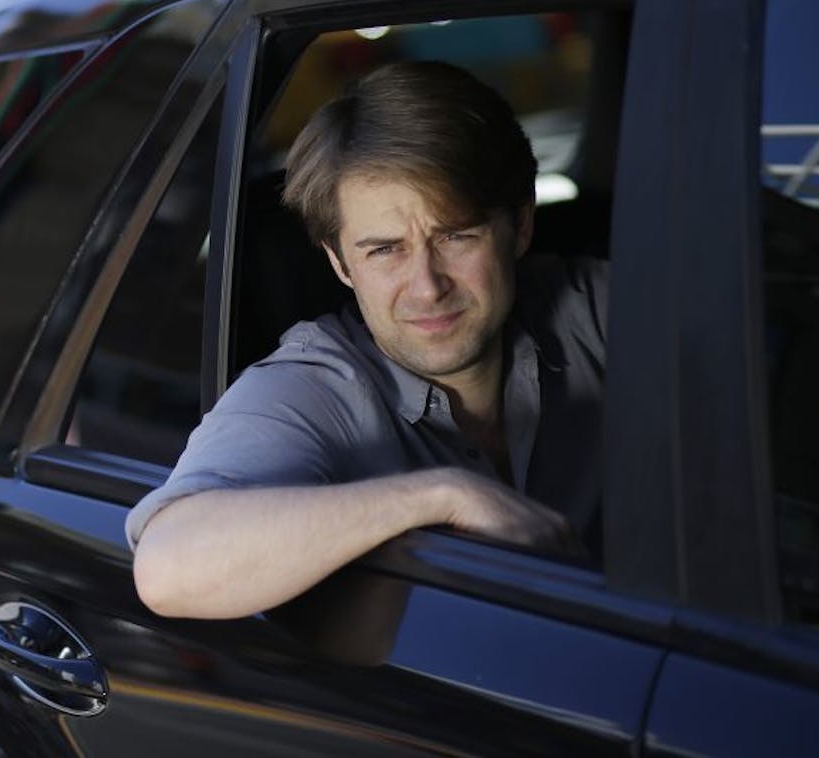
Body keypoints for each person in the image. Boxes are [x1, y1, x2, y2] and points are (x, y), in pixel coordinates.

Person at [127, 60, 607, 620]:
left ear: (520, 225)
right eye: (385, 250)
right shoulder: (316, 385)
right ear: (339, 264)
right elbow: (168, 567)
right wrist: (442, 496)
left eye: (455, 236)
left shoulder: (592, 309)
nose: (427, 287)